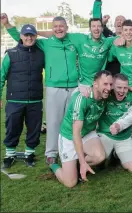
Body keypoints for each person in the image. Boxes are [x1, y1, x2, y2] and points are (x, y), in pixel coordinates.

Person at [2, 14, 79, 165]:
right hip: (51, 88)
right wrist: (7, 24)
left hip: (71, 87)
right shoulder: (43, 44)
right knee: (52, 122)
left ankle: (71, 150)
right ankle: (50, 153)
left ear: (67, 28)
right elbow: (22, 36)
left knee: (73, 121)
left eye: (61, 26)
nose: (58, 29)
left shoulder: (72, 41)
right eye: (55, 26)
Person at [48, 70, 113, 188]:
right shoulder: (82, 99)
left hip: (87, 132)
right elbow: (76, 133)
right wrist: (83, 162)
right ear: (95, 84)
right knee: (71, 183)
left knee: (100, 157)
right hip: (70, 135)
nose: (108, 88)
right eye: (105, 84)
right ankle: (53, 164)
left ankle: (76, 164)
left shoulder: (105, 95)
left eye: (110, 84)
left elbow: (122, 86)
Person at [1, 24, 45, 168]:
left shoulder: (41, 53)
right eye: (26, 35)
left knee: (34, 128)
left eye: (32, 35)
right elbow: (1, 76)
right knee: (12, 127)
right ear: (21, 36)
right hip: (14, 100)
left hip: (35, 100)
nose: (29, 37)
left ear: (35, 36)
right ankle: (9, 155)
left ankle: (29, 154)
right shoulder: (11, 54)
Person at [96, 73, 132, 172]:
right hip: (105, 134)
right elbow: (96, 87)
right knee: (98, 160)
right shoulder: (105, 95)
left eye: (125, 88)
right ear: (112, 86)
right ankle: (106, 155)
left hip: (124, 137)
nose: (122, 91)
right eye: (119, 87)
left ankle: (116, 154)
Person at [91, 0, 126, 75]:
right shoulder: (108, 35)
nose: (119, 22)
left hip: (123, 77)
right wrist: (98, 0)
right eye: (117, 20)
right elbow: (97, 21)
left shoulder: (130, 40)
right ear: (114, 24)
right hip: (107, 75)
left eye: (122, 20)